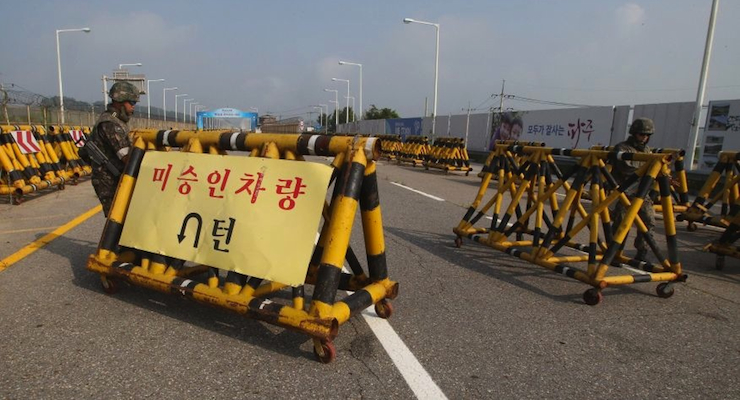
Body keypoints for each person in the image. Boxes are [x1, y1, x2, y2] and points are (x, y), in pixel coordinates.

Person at [88, 81, 138, 217]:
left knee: (124, 220)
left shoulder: (117, 121)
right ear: (120, 101)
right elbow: (126, 156)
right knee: (115, 221)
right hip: (108, 179)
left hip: (115, 177)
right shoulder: (110, 123)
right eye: (131, 102)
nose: (133, 107)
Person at [611, 117, 656, 262]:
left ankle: (642, 252)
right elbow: (626, 168)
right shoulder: (622, 148)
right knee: (621, 224)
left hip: (642, 193)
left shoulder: (648, 150)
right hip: (625, 192)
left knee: (648, 221)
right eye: (642, 134)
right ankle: (614, 253)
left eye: (647, 135)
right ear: (634, 133)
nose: (644, 138)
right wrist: (647, 171)